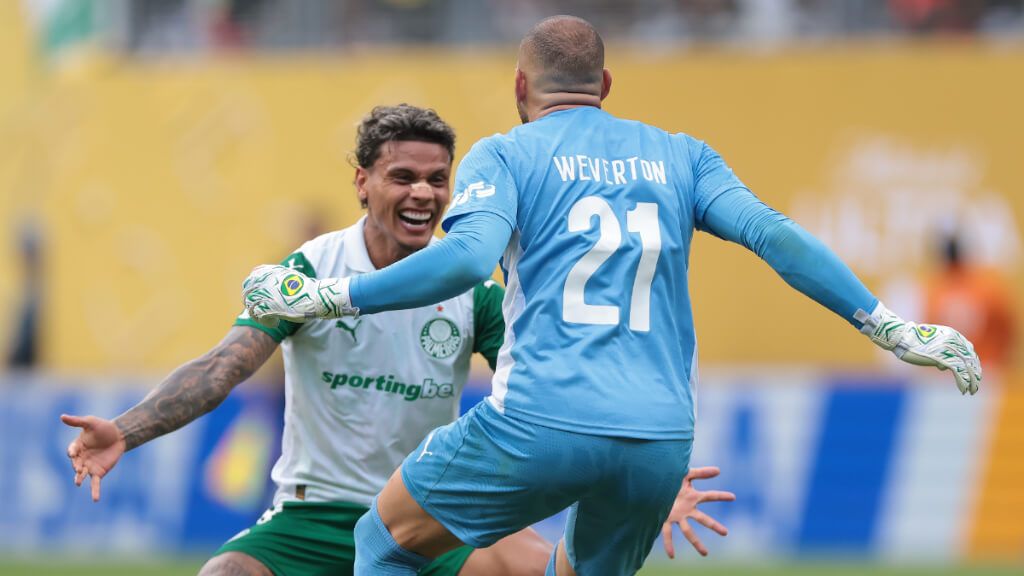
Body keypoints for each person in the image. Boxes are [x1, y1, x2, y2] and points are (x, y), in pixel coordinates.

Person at [243, 15, 984, 576]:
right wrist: (889, 326)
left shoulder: (506, 153)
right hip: (659, 440)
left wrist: (330, 297)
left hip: (539, 422)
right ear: (605, 87)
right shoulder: (684, 155)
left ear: (520, 89)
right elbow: (775, 237)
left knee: (384, 537)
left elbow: (466, 260)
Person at [62, 104, 732, 576]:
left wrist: (647, 484)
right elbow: (223, 367)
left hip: (426, 512)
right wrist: (126, 430)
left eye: (438, 180)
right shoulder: (309, 272)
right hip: (314, 515)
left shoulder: (473, 288)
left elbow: (564, 401)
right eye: (402, 177)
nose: (423, 194)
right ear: (362, 183)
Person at [924, 233, 1016, 374]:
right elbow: (1006, 328)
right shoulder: (986, 287)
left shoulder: (937, 293)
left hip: (952, 371)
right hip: (985, 366)